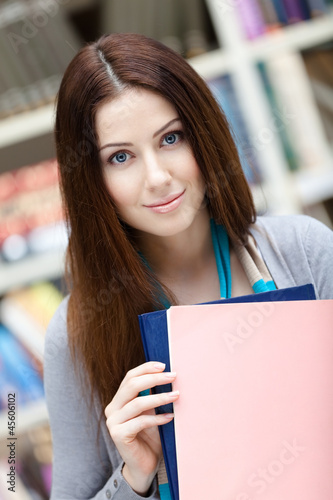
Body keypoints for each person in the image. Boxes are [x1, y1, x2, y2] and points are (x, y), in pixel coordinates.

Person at [44, 32, 333, 500]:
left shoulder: (305, 251)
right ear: (91, 181)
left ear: (205, 134)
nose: (158, 177)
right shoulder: (75, 331)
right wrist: (134, 476)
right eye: (120, 157)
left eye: (171, 138)